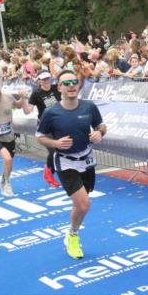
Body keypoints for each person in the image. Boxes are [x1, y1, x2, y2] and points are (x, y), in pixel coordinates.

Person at [36, 70, 107, 259]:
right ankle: (73, 236)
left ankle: (71, 231)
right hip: (66, 162)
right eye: (66, 83)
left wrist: (100, 133)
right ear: (58, 88)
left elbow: (101, 126)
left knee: (81, 204)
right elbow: (40, 136)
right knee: (84, 205)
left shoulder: (89, 107)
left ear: (79, 85)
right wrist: (55, 144)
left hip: (87, 159)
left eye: (74, 82)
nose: (71, 86)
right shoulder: (51, 112)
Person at [23, 71, 62, 188]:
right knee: (53, 151)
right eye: (43, 79)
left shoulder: (57, 88)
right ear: (39, 81)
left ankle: (50, 170)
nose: (46, 81)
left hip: (59, 123)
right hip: (45, 125)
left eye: (47, 78)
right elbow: (28, 111)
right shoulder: (36, 94)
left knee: (61, 150)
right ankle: (49, 174)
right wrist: (22, 99)